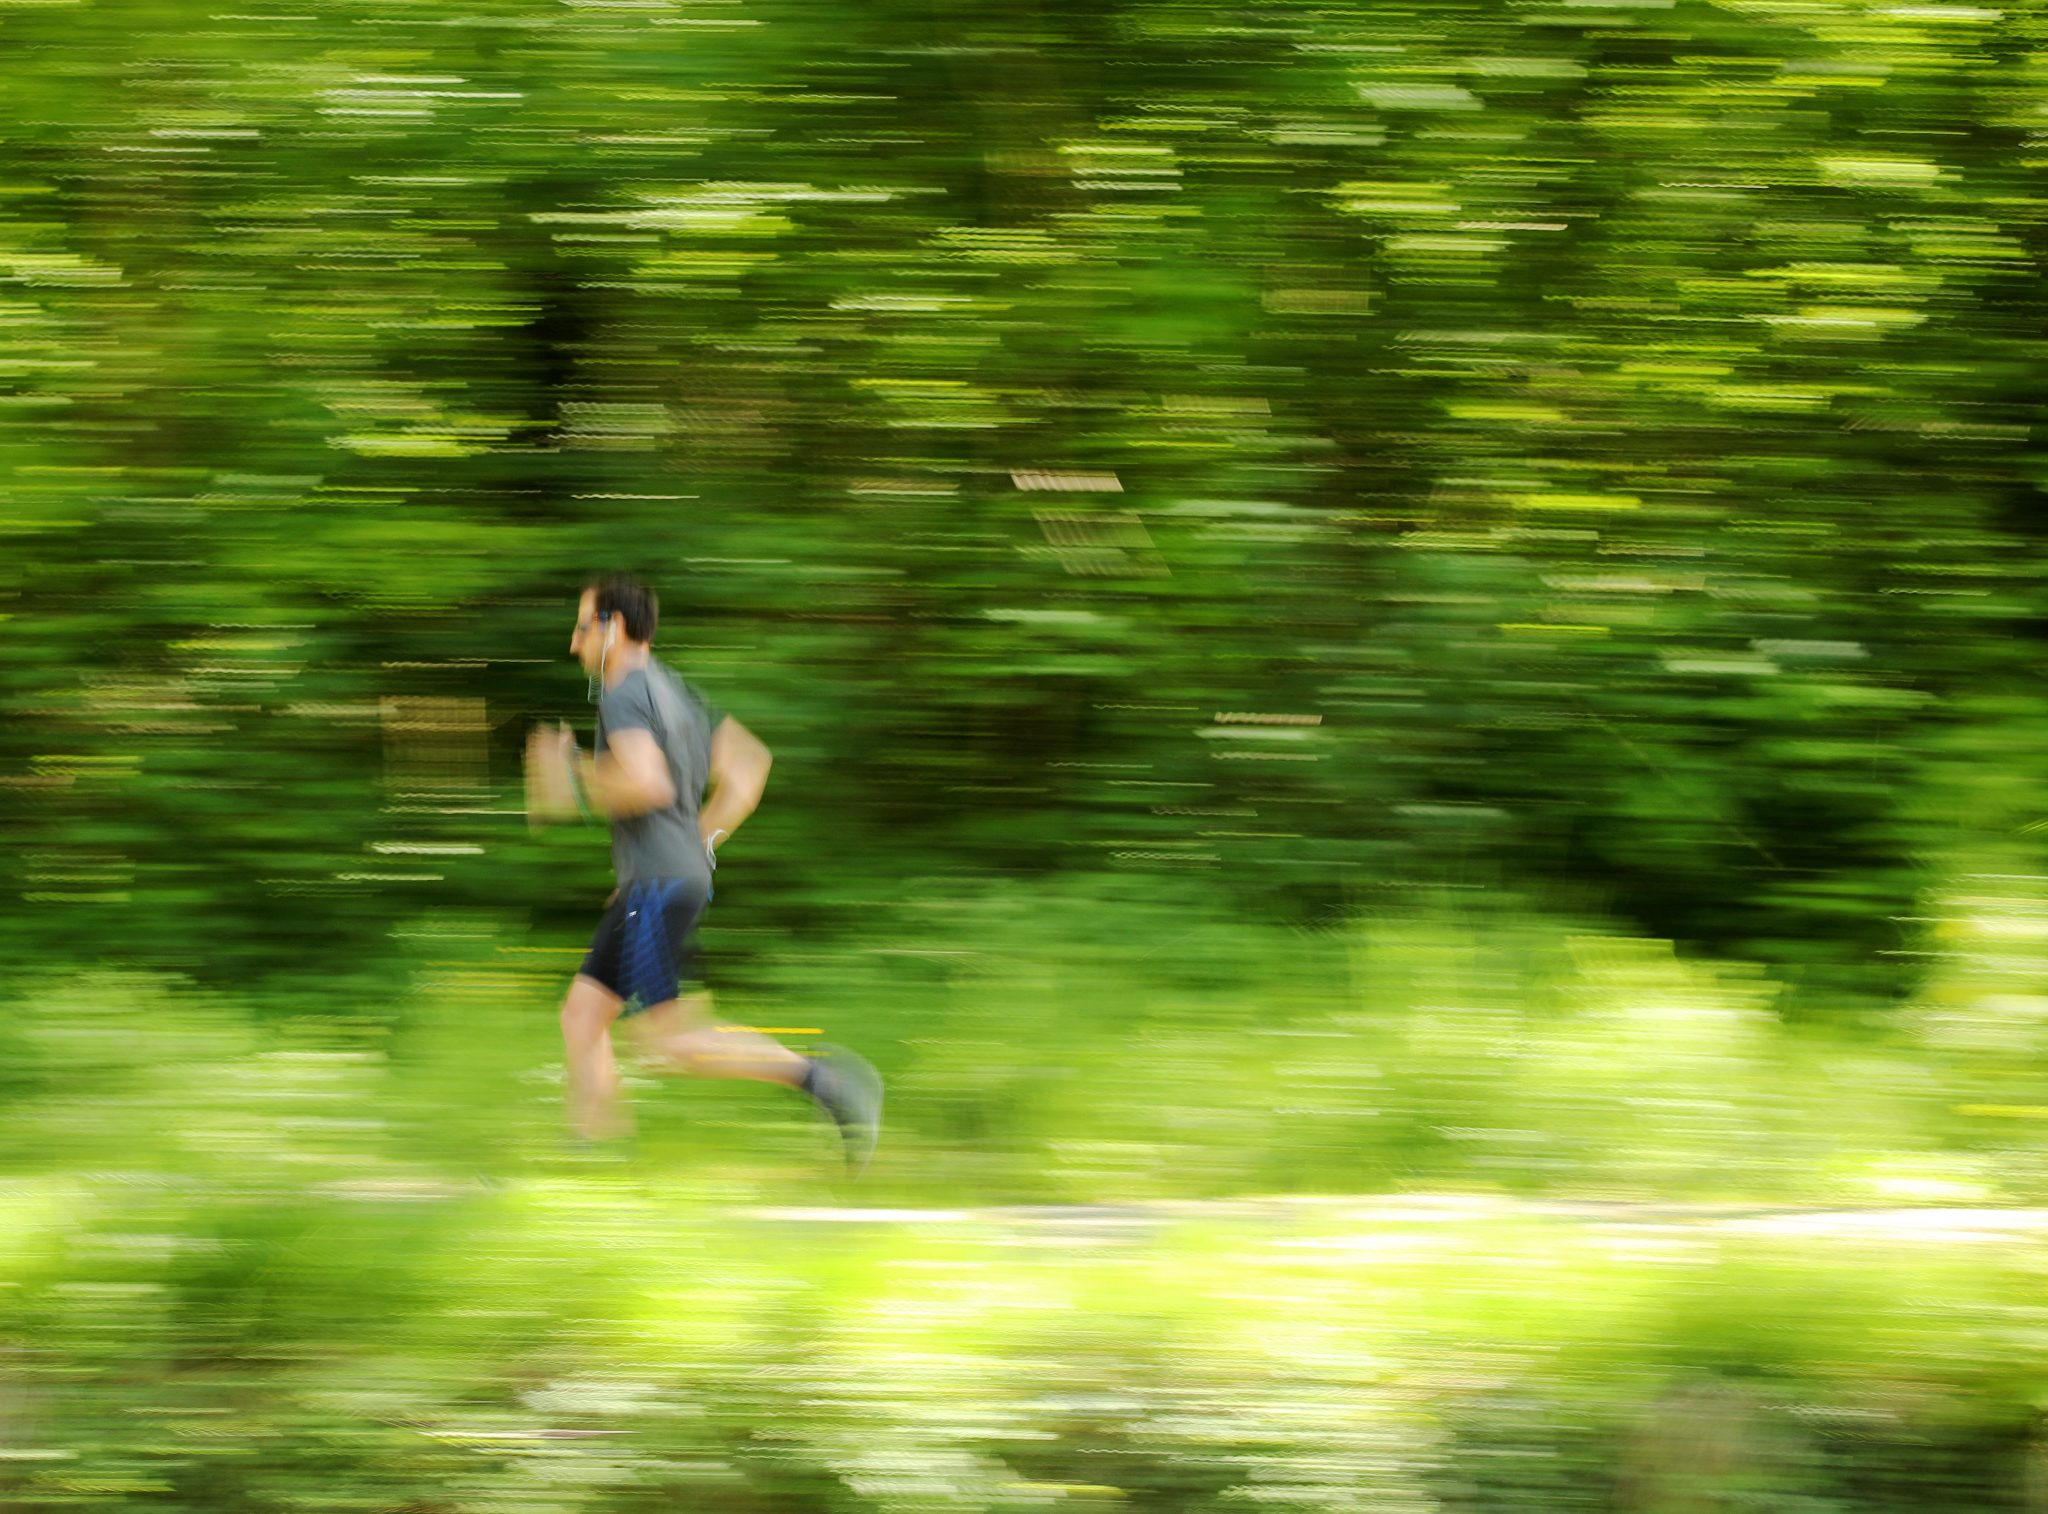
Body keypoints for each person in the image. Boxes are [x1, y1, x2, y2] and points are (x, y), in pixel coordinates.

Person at [525, 572, 882, 1172]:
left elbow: (646, 783)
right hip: (657, 882)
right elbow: (750, 767)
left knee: (672, 1044)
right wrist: (696, 846)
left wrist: (573, 772)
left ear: (614, 627)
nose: (573, 643)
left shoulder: (625, 694)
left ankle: (827, 1083)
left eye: (582, 627)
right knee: (583, 1015)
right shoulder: (676, 693)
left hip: (658, 887)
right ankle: (590, 1163)